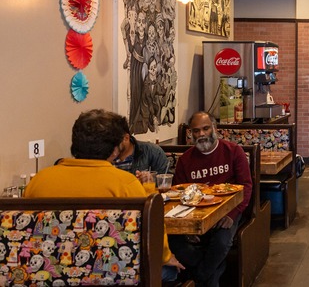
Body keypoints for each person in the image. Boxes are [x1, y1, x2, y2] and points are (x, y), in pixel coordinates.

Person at [24, 109, 183, 281]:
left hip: (50, 275)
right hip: (109, 275)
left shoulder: (39, 181)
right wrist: (167, 258)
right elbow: (153, 233)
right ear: (115, 150)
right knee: (170, 271)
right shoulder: (126, 184)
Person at [168, 111, 253, 287]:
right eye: (196, 131)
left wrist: (232, 214)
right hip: (195, 215)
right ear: (191, 133)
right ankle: (211, 270)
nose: (201, 134)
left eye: (206, 129)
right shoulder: (185, 160)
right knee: (174, 241)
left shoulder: (233, 151)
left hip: (227, 212)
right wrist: (187, 229)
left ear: (215, 128)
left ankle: (197, 277)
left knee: (221, 242)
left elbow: (246, 186)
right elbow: (179, 194)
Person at [109, 111, 169, 176]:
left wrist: (150, 180)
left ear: (126, 138)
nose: (109, 144)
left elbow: (165, 181)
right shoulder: (104, 156)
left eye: (114, 140)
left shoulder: (153, 152)